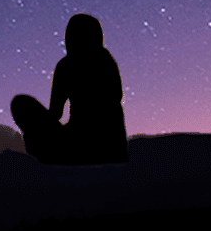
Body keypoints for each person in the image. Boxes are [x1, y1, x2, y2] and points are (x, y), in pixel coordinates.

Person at [9, 12, 128, 164]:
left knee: (21, 104)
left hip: (91, 143)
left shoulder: (72, 65)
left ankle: (58, 156)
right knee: (21, 103)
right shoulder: (101, 61)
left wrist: (38, 132)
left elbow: (55, 113)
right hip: (99, 142)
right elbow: (56, 113)